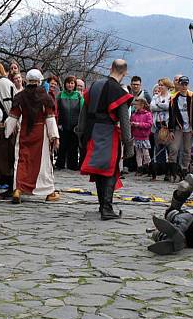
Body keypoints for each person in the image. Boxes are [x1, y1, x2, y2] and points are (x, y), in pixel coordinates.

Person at [76, 59, 134, 220]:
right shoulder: (118, 91)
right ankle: (107, 209)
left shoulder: (95, 85)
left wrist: (80, 133)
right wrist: (129, 145)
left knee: (99, 169)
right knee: (109, 169)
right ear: (125, 72)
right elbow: (124, 121)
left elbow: (84, 110)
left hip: (91, 130)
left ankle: (103, 205)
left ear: (111, 68)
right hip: (107, 132)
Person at [7, 69, 61, 203]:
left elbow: (13, 116)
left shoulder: (20, 96)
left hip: (25, 131)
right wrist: (54, 136)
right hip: (40, 133)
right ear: (39, 80)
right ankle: (49, 192)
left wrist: (7, 131)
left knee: (22, 160)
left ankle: (18, 189)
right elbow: (50, 118)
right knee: (43, 163)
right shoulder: (45, 97)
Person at [168, 76, 193, 178]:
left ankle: (184, 169)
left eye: (186, 84)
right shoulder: (173, 98)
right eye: (182, 84)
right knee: (174, 148)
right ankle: (172, 170)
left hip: (189, 127)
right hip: (178, 126)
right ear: (178, 85)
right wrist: (171, 129)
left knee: (187, 150)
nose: (184, 86)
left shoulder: (192, 96)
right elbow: (171, 115)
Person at [56, 75, 84, 170]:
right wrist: (58, 123)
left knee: (73, 146)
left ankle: (73, 165)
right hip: (63, 125)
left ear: (75, 85)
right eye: (68, 83)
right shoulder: (60, 95)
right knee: (62, 146)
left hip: (75, 125)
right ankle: (60, 164)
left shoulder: (78, 96)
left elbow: (82, 110)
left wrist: (80, 125)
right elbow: (56, 110)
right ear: (65, 84)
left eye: (72, 83)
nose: (70, 85)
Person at [151, 78, 173, 180]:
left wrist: (159, 105)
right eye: (159, 85)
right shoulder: (155, 97)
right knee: (158, 148)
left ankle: (169, 172)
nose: (159, 87)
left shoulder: (171, 97)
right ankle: (160, 169)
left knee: (169, 148)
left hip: (167, 125)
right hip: (157, 125)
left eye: (162, 85)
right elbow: (152, 107)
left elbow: (170, 107)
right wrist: (162, 106)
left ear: (167, 86)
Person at [130, 97, 153, 172]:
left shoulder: (148, 114)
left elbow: (149, 124)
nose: (135, 106)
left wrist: (138, 124)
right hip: (136, 137)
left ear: (142, 105)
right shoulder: (134, 115)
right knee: (138, 154)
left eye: (137, 104)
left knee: (146, 153)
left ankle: (148, 167)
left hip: (144, 137)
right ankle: (139, 168)